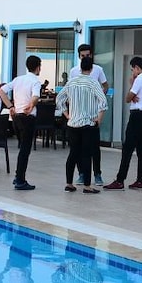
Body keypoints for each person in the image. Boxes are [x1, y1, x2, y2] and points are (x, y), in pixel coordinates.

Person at [56, 56, 107, 194]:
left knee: (73, 154)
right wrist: (99, 119)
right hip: (88, 124)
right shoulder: (93, 83)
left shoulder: (71, 82)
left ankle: (69, 183)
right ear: (91, 68)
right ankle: (87, 186)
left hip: (73, 124)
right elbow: (103, 102)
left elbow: (59, 99)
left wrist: (67, 115)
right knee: (86, 154)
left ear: (80, 68)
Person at [104, 56, 142, 191]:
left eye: (133, 70)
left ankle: (120, 180)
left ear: (137, 68)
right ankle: (140, 180)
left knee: (127, 149)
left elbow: (128, 98)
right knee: (141, 149)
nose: (132, 72)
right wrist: (134, 96)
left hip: (136, 116)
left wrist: (132, 84)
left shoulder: (139, 79)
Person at [0, 55, 43, 190]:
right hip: (28, 117)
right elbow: (36, 96)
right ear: (38, 67)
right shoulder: (35, 81)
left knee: (22, 147)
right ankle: (20, 179)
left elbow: (1, 91)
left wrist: (10, 106)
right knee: (25, 150)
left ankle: (18, 175)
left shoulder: (18, 79)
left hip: (16, 117)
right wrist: (31, 105)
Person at [69, 44, 109, 186]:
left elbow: (105, 85)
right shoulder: (74, 71)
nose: (85, 57)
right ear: (79, 56)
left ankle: (97, 174)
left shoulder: (98, 70)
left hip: (93, 114)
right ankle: (82, 173)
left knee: (94, 147)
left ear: (91, 55)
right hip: (79, 115)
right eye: (82, 56)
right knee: (78, 147)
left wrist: (99, 97)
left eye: (87, 55)